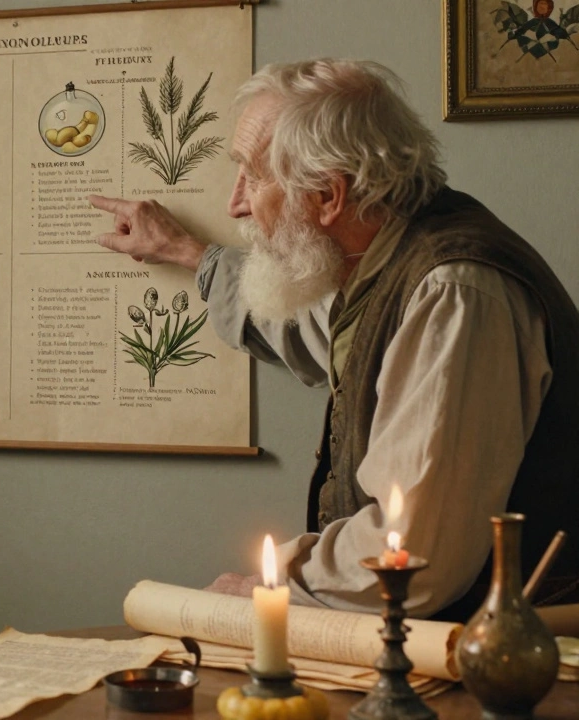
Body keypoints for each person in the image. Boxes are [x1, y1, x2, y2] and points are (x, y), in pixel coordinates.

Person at [89, 58, 579, 620]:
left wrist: (267, 585)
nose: (236, 203)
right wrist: (188, 253)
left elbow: (415, 556)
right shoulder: (384, 262)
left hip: (503, 654)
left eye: (254, 176)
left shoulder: (453, 293)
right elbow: (309, 328)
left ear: (328, 196)